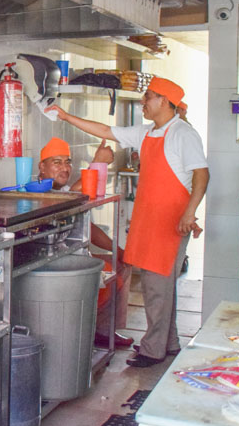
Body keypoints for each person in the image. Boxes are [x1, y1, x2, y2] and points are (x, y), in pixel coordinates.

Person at [45, 77, 209, 368]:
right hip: (150, 218)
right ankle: (168, 343)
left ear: (164, 101)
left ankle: (152, 350)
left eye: (148, 96)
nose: (143, 101)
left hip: (169, 220)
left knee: (157, 286)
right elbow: (105, 130)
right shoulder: (148, 132)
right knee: (159, 285)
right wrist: (66, 116)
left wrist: (189, 213)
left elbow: (201, 174)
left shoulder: (183, 134)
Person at [36, 137, 133, 350]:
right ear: (41, 167)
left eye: (67, 162)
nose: (64, 168)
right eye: (57, 162)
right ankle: (83, 327)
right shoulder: (38, 190)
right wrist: (97, 163)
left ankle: (103, 330)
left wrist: (117, 250)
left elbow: (89, 226)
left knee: (122, 264)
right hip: (50, 262)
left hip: (71, 254)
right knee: (107, 273)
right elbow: (73, 197)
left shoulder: (63, 189)